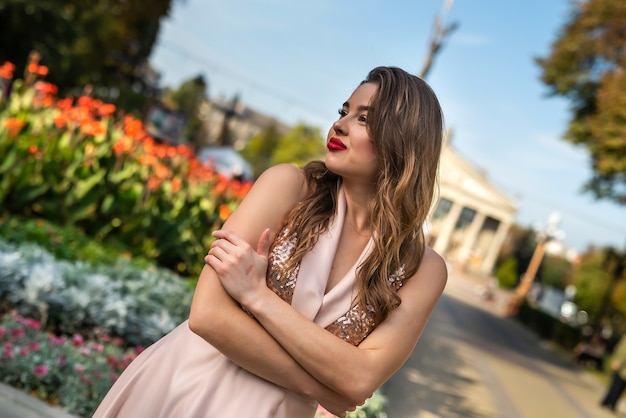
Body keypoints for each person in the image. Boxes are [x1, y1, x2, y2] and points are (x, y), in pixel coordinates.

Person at [93, 66, 448, 418]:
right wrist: (322, 389)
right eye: (343, 112)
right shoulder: (286, 186)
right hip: (188, 390)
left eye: (364, 119)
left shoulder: (423, 269)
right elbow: (207, 316)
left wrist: (256, 296)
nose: (339, 125)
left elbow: (358, 380)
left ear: (403, 141)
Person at [601, 334, 626, 412]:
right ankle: (609, 402)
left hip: (623, 367)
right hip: (622, 366)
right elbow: (623, 349)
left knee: (618, 385)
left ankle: (610, 402)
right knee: (617, 385)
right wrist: (618, 360)